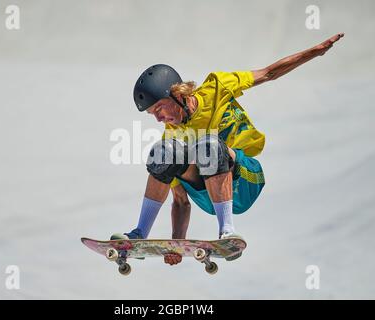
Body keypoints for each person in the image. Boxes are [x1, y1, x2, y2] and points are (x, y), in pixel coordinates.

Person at [111, 33, 344, 265]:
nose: (160, 119)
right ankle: (139, 233)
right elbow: (181, 201)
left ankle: (228, 232)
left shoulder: (218, 87)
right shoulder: (172, 132)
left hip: (246, 180)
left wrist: (314, 53)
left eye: (160, 108)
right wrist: (177, 244)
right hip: (209, 197)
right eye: (153, 114)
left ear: (177, 94)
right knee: (163, 152)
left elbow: (268, 73)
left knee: (209, 146)